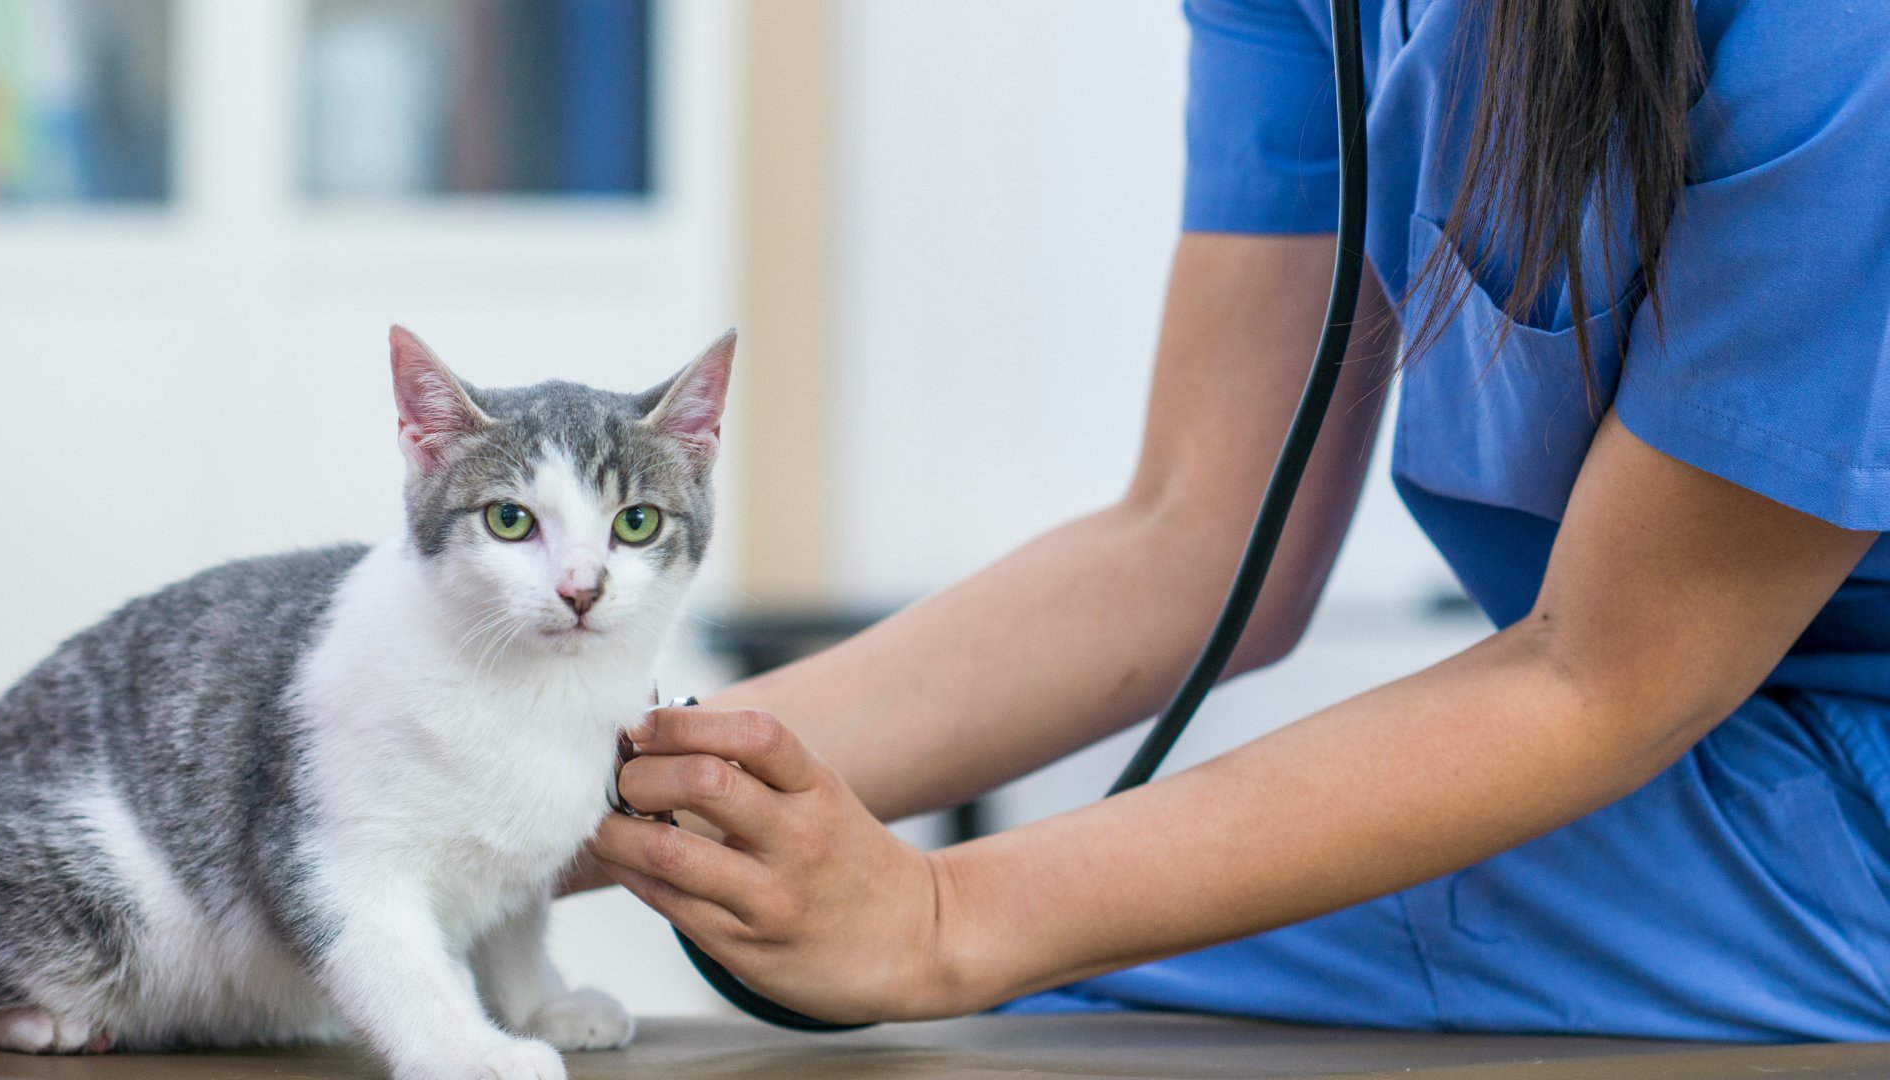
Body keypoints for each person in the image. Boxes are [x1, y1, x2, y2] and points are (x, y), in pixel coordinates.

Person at [580, 0, 1890, 1040]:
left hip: (1820, 794)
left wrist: (935, 918)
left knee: (1062, 991)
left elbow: (1609, 675)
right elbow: (1185, 543)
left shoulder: (1839, 37)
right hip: (1673, 740)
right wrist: (541, 800)